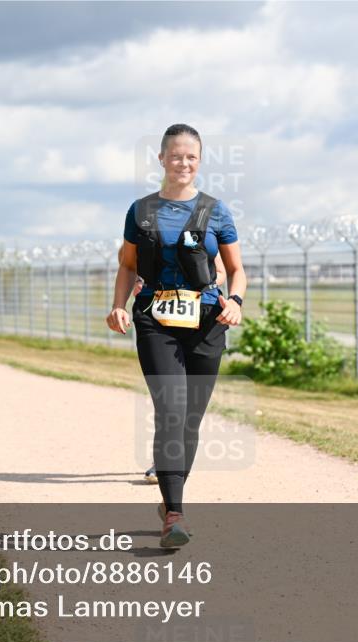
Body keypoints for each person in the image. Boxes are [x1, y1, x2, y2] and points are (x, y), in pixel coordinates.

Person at [107, 124, 246, 548]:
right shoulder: (141, 210)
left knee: (190, 420)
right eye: (175, 155)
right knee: (171, 410)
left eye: (191, 157)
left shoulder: (216, 210)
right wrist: (118, 305)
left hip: (207, 323)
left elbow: (237, 270)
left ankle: (171, 500)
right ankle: (174, 513)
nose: (183, 163)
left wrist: (235, 302)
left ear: (199, 162)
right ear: (162, 159)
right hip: (154, 318)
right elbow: (128, 265)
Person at [127, 244, 229, 486]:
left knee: (188, 411)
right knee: (170, 404)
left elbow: (223, 271)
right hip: (159, 318)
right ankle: (162, 464)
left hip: (198, 313)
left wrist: (203, 282)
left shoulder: (204, 227)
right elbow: (128, 267)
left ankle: (172, 467)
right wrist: (136, 286)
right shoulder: (148, 225)